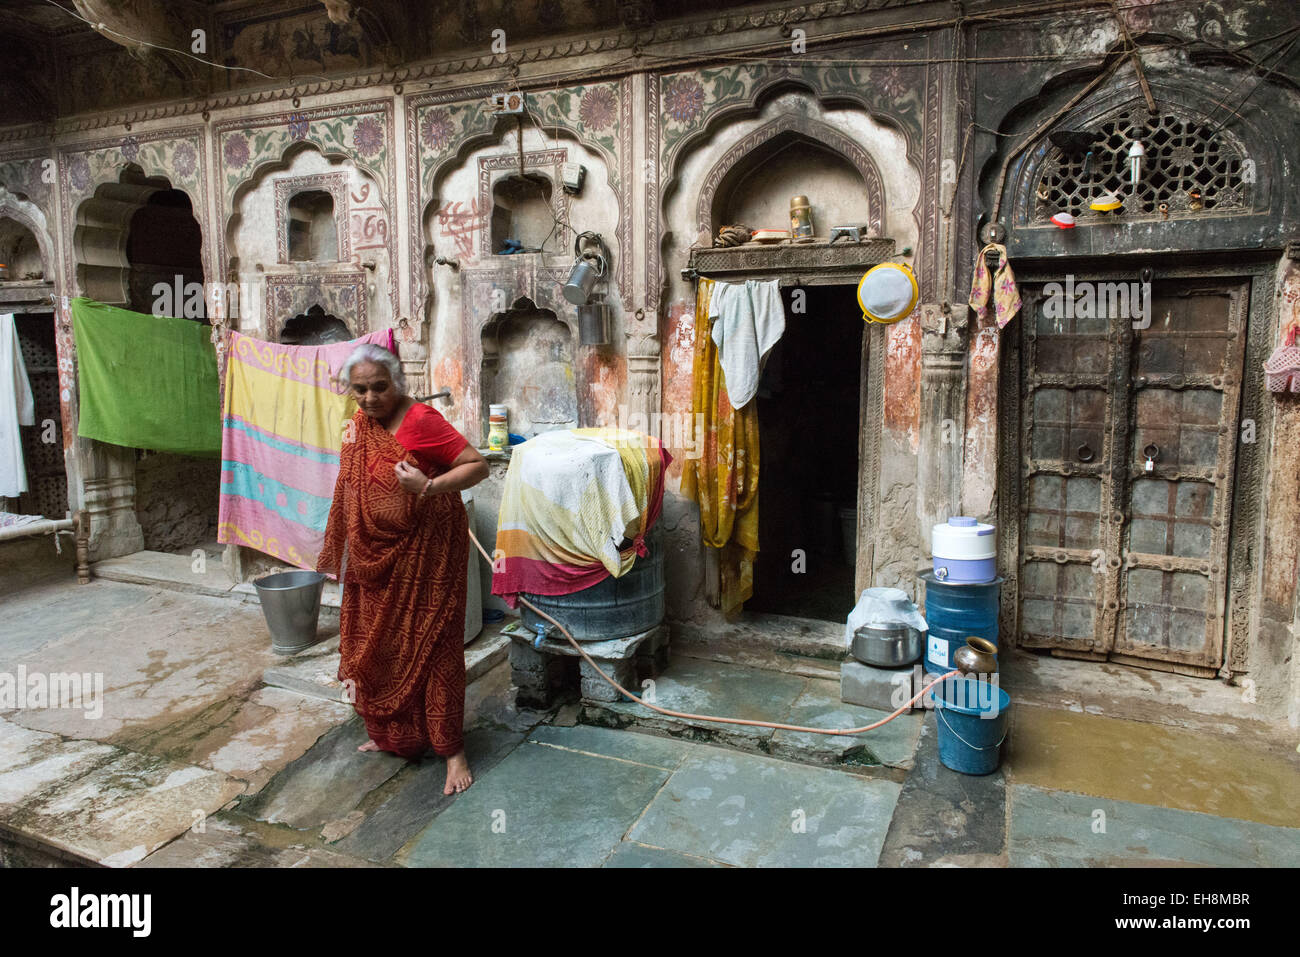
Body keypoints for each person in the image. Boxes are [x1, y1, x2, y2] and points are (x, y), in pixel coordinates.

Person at [317, 343, 488, 794]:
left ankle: (453, 752)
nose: (370, 398)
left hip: (428, 552)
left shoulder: (421, 421)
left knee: (433, 645)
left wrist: (428, 486)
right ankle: (393, 736)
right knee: (379, 642)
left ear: (397, 382)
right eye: (360, 390)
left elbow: (478, 466)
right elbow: (351, 486)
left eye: (379, 387)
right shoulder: (358, 425)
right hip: (374, 557)